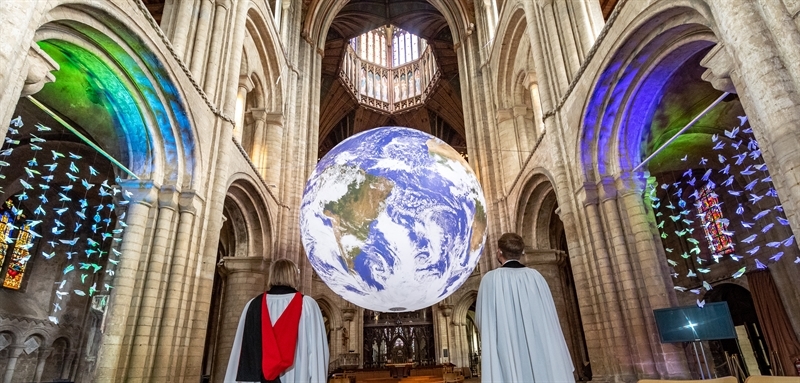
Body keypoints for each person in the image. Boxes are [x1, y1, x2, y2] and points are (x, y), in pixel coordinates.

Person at [475, 233, 574, 382]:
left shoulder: (490, 279)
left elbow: (482, 319)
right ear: (522, 252)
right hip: (538, 348)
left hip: (507, 349)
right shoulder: (536, 277)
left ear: (499, 251)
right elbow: (549, 317)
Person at [225, 258, 329, 382]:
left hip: (259, 376)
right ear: (294, 276)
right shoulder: (307, 305)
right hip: (296, 375)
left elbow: (241, 350)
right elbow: (316, 352)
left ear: (271, 275)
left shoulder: (253, 305)